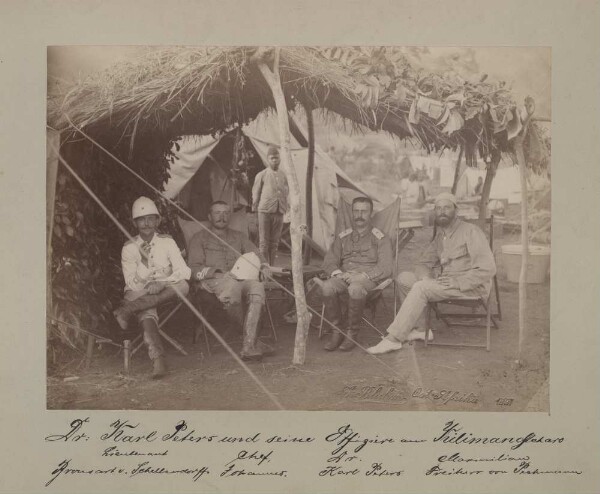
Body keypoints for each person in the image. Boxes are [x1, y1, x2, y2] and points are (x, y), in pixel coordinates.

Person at [366, 192, 496, 355]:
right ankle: (421, 329)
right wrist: (425, 277)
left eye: (447, 208)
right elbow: (422, 263)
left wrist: (458, 282)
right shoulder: (441, 236)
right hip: (447, 285)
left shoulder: (471, 232)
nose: (442, 211)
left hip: (471, 287)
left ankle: (393, 339)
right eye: (438, 208)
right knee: (404, 278)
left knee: (421, 288)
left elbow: (488, 268)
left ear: (456, 211)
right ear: (434, 212)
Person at [113, 196, 191, 378]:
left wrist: (162, 283)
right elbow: (131, 284)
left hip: (166, 288)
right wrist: (145, 263)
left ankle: (127, 310)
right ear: (134, 223)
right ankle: (158, 360)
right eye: (141, 219)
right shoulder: (129, 248)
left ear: (158, 220)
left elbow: (184, 270)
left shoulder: (167, 242)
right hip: (140, 292)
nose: (146, 223)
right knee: (144, 308)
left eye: (150, 218)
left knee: (184, 285)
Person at [187, 201, 274, 361]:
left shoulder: (238, 236)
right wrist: (216, 273)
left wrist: (264, 265)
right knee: (232, 289)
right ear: (209, 216)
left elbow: (255, 253)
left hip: (241, 278)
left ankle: (248, 345)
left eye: (226, 213)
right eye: (217, 213)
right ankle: (253, 342)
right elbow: (193, 269)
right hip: (214, 282)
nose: (222, 216)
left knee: (257, 287)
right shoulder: (199, 238)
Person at [320, 197, 393, 351]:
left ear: (371, 213)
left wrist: (362, 276)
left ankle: (351, 333)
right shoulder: (343, 237)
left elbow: (386, 267)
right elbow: (329, 261)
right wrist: (339, 274)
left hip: (367, 280)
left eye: (364, 211)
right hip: (344, 277)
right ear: (352, 212)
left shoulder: (380, 237)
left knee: (355, 288)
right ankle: (336, 331)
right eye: (356, 211)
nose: (359, 215)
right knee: (327, 287)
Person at [251, 146, 289, 265]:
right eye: (272, 158)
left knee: (274, 242)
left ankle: (272, 267)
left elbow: (286, 191)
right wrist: (255, 209)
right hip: (264, 211)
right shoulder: (261, 175)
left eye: (276, 158)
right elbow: (255, 192)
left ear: (280, 159)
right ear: (268, 159)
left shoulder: (283, 175)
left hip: (279, 211)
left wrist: (284, 205)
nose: (274, 161)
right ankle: (264, 268)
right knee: (263, 242)